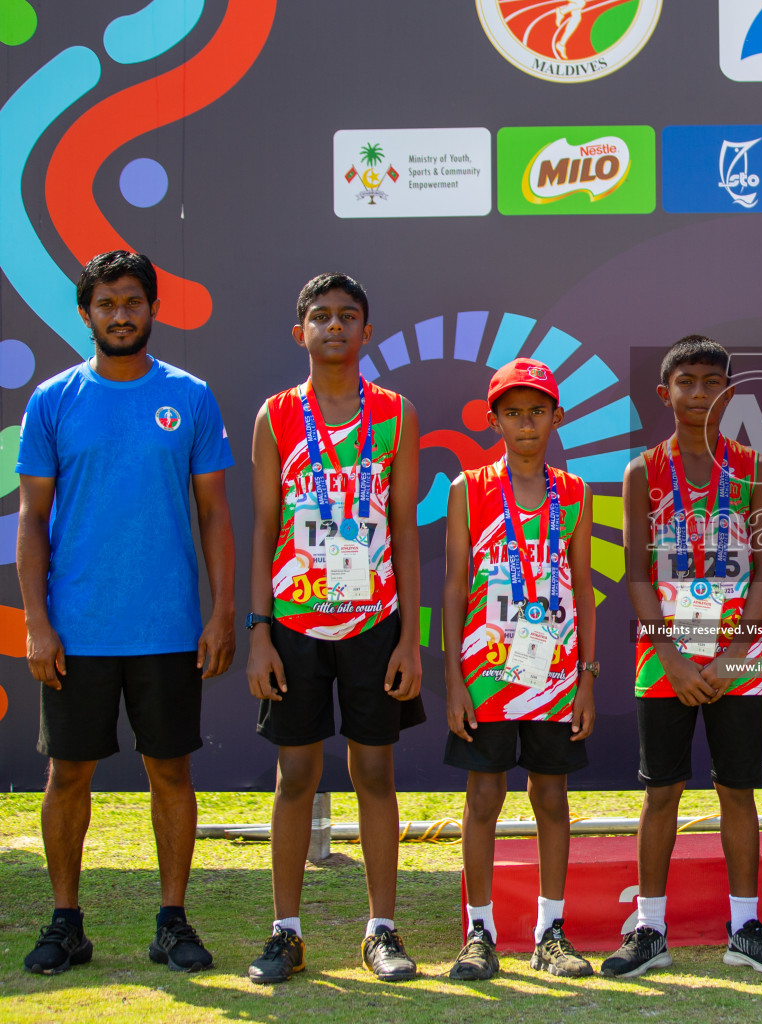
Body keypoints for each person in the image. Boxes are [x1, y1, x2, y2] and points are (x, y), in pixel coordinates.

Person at [17, 251, 235, 975]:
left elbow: (213, 514)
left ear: (152, 310)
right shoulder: (52, 400)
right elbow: (30, 518)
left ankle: (173, 922)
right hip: (76, 630)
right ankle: (65, 923)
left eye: (133, 302)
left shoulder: (192, 397)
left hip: (169, 629)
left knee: (170, 774)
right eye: (106, 303)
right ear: (86, 314)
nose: (120, 314)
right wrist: (38, 623)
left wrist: (222, 611)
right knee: (67, 777)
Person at [244, 273, 424, 983]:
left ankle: (381, 929)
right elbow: (263, 529)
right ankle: (286, 932)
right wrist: (259, 632)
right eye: (320, 316)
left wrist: (410, 637)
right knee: (295, 775)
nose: (335, 327)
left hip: (374, 623)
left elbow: (405, 528)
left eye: (349, 316)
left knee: (374, 771)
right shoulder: (276, 415)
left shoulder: (397, 413)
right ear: (301, 333)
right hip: (294, 624)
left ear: (367, 331)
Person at [605, 335, 762, 978]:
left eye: (711, 382)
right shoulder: (642, 471)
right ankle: (650, 929)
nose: (698, 394)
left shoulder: (757, 468)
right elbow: (635, 576)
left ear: (730, 393)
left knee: (737, 790)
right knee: (662, 792)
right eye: (686, 382)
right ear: (666, 394)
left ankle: (745, 926)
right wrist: (673, 657)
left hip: (739, 660)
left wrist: (738, 650)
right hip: (664, 661)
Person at [443, 358, 598, 980]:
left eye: (537, 412)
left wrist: (588, 678)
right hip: (487, 676)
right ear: (494, 420)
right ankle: (478, 932)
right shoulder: (468, 489)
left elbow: (584, 589)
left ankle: (549, 933)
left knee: (551, 796)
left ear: (556, 418)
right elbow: (454, 588)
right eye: (513, 413)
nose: (526, 423)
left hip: (557, 677)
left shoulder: (575, 491)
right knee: (483, 796)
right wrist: (453, 677)